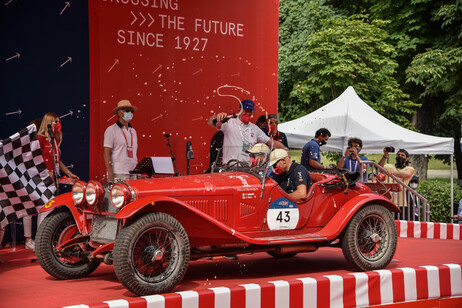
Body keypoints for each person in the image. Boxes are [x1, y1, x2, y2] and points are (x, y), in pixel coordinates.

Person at [207, 99, 285, 164]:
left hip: (246, 169)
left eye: (250, 111)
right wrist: (217, 116)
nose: (247, 113)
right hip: (229, 167)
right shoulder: (229, 123)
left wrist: (285, 149)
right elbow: (210, 123)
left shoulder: (254, 128)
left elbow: (270, 142)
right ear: (239, 110)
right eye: (245, 111)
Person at [104, 100, 139, 182]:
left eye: (131, 111)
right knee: (120, 195)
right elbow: (106, 153)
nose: (130, 113)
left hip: (133, 172)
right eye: (127, 110)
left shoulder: (133, 131)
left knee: (134, 195)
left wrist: (138, 173)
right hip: (118, 172)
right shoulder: (111, 130)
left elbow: (134, 154)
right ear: (119, 113)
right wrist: (110, 173)